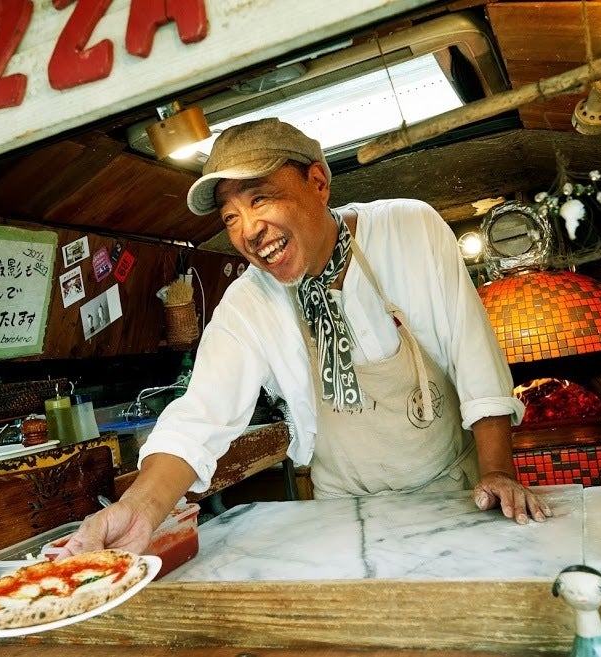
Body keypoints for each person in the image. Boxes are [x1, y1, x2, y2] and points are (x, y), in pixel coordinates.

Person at [59, 118, 551, 558]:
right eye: (230, 217)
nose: (249, 231)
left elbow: (473, 353)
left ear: (318, 183)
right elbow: (199, 416)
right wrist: (140, 508)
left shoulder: (410, 228)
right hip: (344, 511)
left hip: (454, 487)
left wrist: (498, 472)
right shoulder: (249, 302)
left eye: (260, 199)